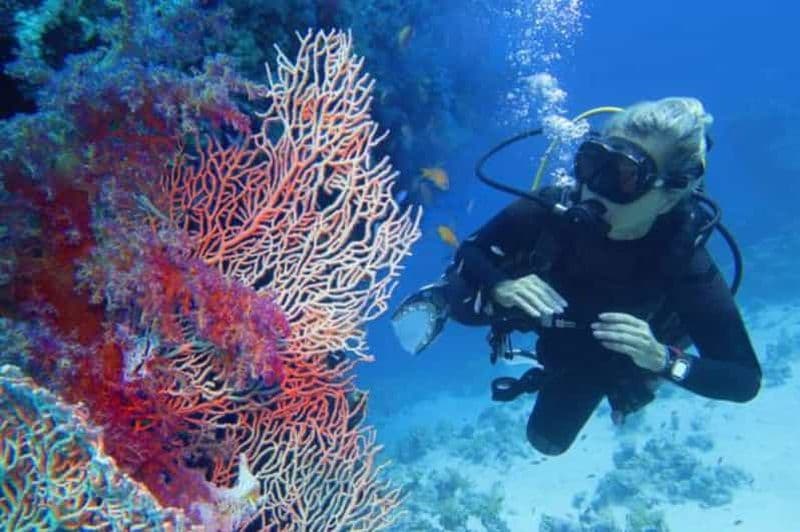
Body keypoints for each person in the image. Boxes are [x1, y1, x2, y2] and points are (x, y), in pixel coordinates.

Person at [391, 97, 761, 456]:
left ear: (670, 195)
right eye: (591, 163)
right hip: (534, 304)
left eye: (624, 176)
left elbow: (743, 379)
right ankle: (443, 297)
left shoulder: (681, 258)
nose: (593, 187)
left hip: (598, 346)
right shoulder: (553, 205)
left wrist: (662, 360)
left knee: (548, 440)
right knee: (467, 297)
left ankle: (598, 376)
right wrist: (500, 284)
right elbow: (472, 249)